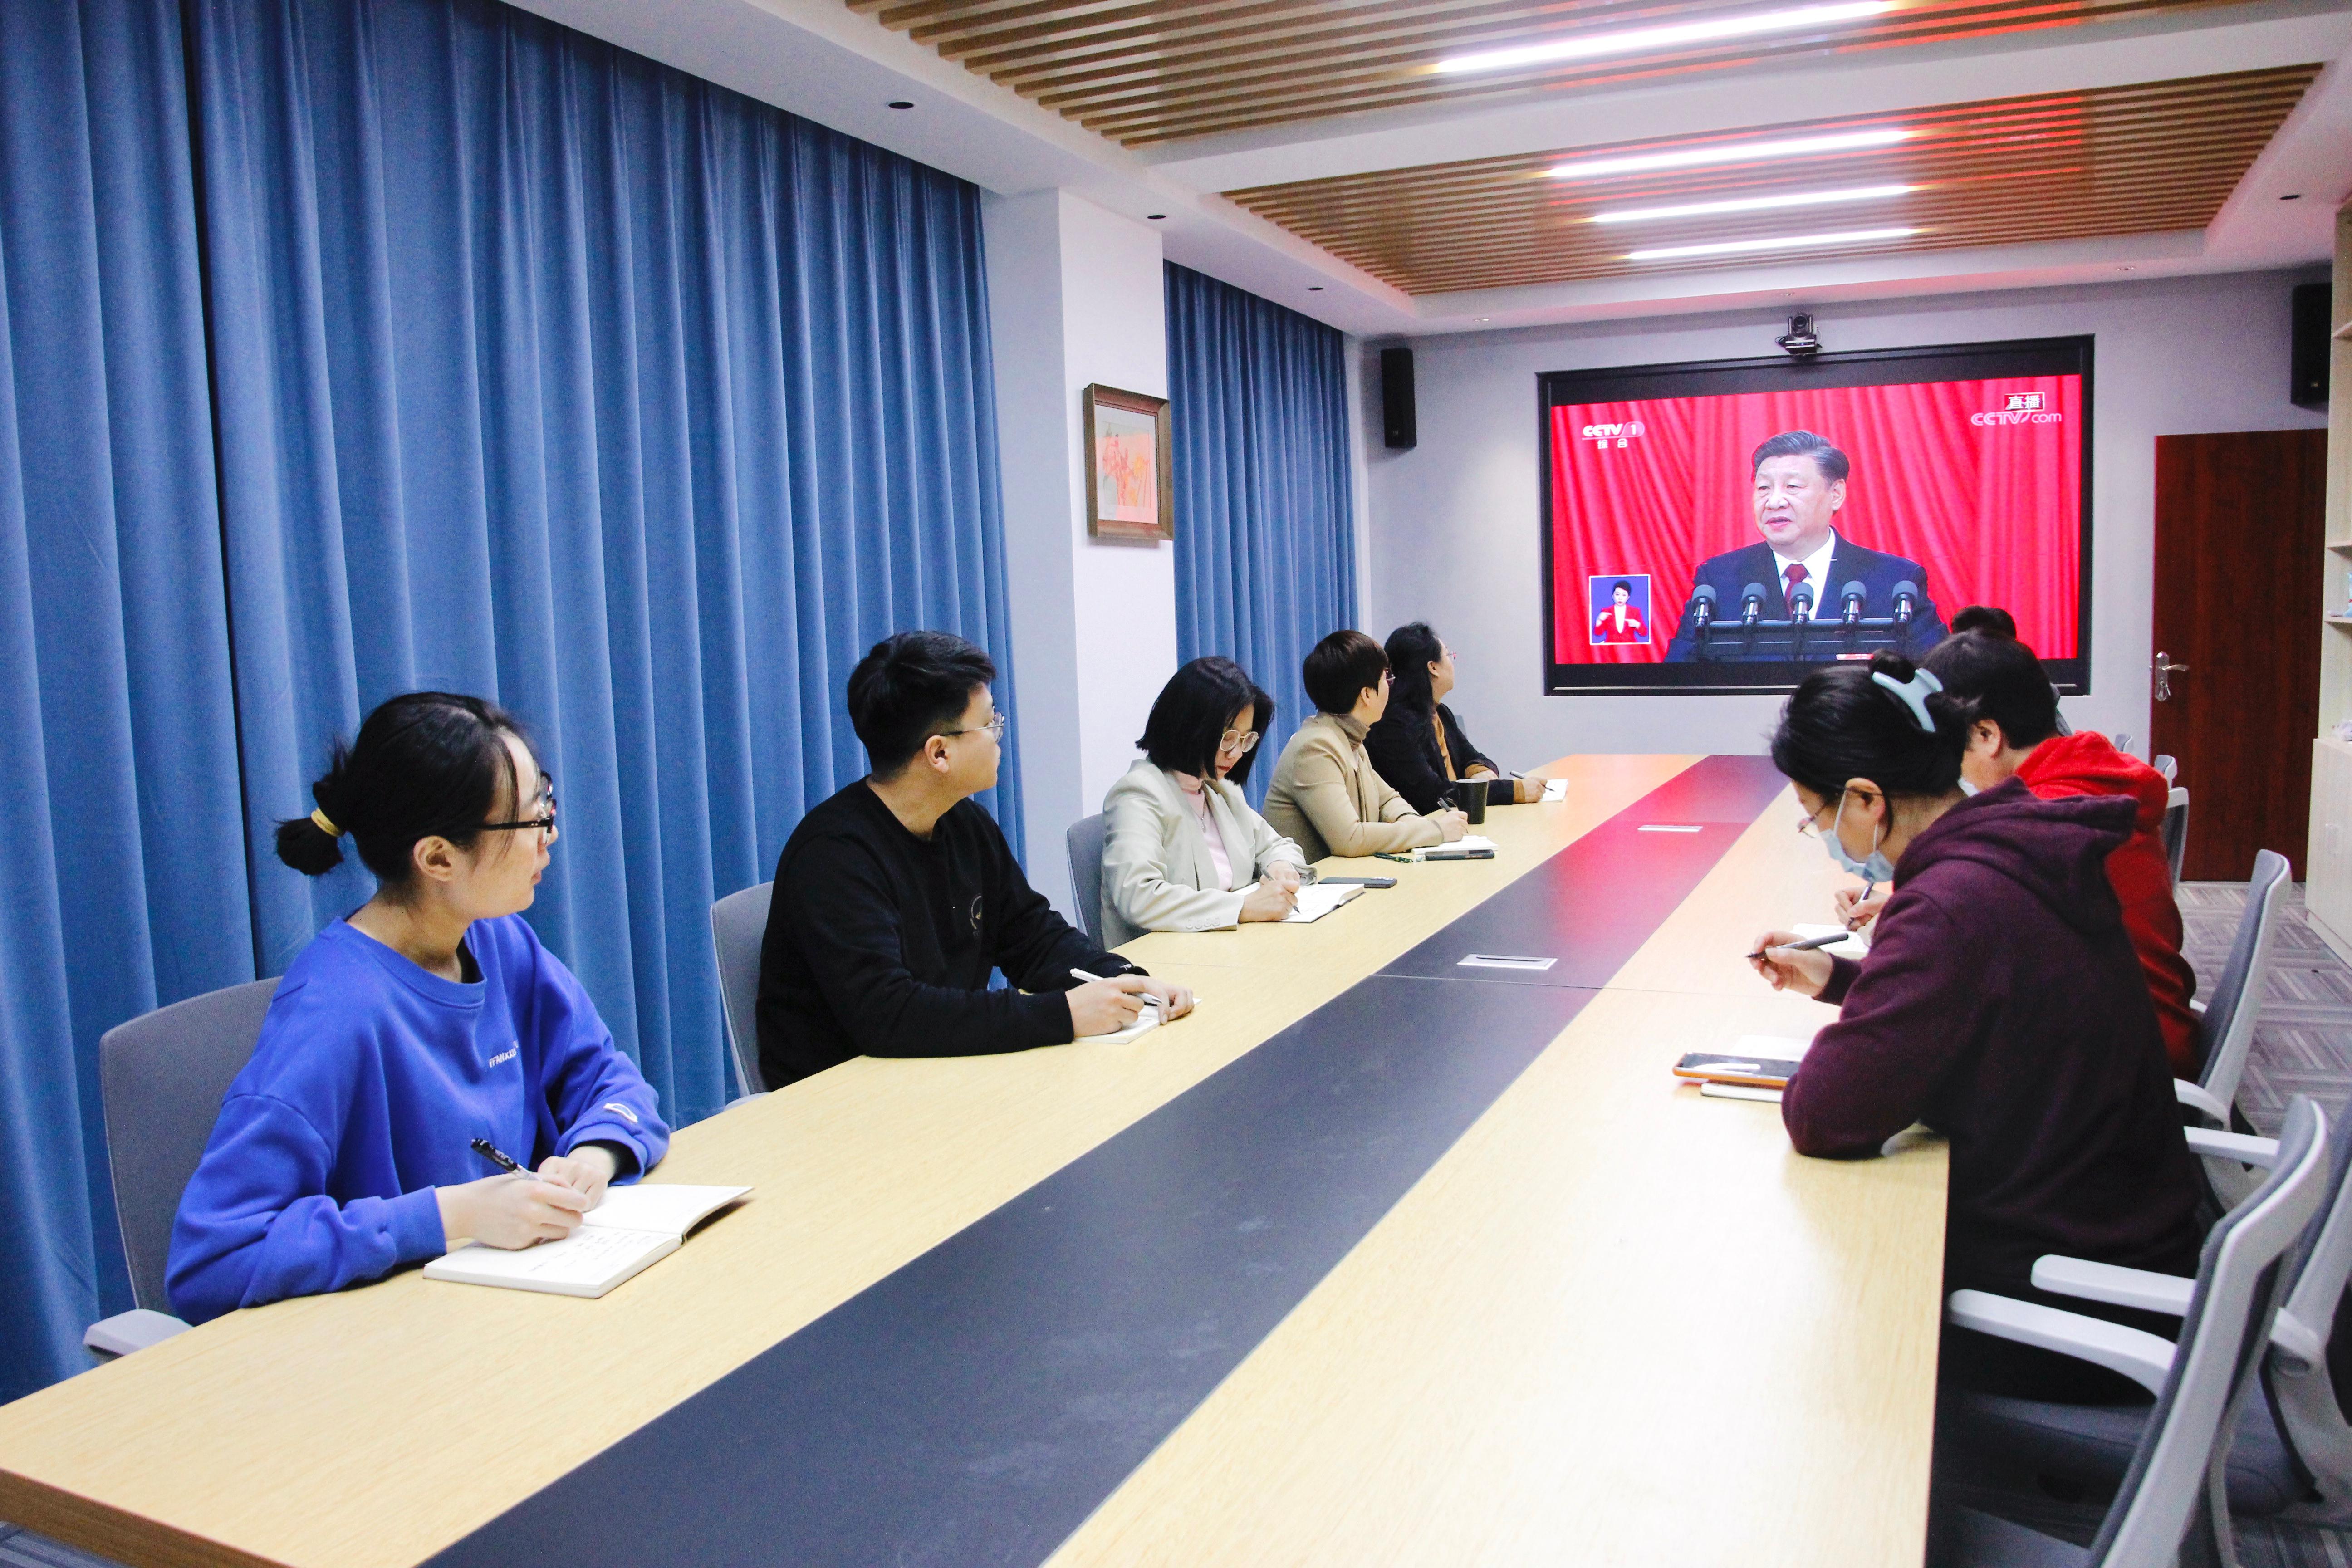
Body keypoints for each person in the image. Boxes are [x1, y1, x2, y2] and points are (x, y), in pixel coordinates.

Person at [1750, 651, 2200, 1401]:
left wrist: (1862, 1012)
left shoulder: (1948, 903)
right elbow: (1990, 992)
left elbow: (1824, 1114)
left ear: (1866, 799)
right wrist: (1842, 978)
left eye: (1816, 816)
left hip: (2075, 1307)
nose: (1821, 833)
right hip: (2128, 1245)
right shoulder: (2015, 835)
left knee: (1795, 1319)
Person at [167, 693, 670, 1325]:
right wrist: (452, 1215)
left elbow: (613, 1082)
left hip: (512, 1312)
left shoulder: (497, 941)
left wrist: (594, 1156)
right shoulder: (332, 1013)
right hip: (394, 1340)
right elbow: (212, 1260)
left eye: (545, 800)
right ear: (437, 858)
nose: (550, 834)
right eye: (529, 820)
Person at [757, 631, 1193, 1090]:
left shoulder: (965, 824)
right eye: (989, 724)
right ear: (939, 753)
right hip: (843, 1094)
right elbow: (890, 1015)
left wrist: (1122, 979)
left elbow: (1033, 937)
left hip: (937, 1070)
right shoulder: (833, 856)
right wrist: (1063, 1015)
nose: (999, 736)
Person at [1664, 430, 1947, 662]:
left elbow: (1934, 677)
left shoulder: (1895, 580)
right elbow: (1676, 681)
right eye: (1763, 488)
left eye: (1793, 487)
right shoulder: (1718, 579)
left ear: (1836, 494)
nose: (1774, 502)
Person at [1099, 657, 1309, 944]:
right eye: (1228, 738)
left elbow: (1276, 845)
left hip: (1228, 947)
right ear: (1190, 727)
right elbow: (1139, 896)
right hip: (1166, 958)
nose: (1236, 753)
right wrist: (1243, 908)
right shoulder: (1138, 795)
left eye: (1245, 739)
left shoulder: (1220, 791)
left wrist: (1281, 868)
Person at [1264, 630, 1467, 861]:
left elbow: (1389, 801)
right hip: (1311, 881)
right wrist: (1434, 831)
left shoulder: (1351, 740)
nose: (1391, 685)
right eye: (1386, 678)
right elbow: (1350, 839)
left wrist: (1419, 827)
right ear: (1368, 695)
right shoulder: (1315, 748)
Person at [1366, 622, 1544, 817]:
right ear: (1433, 668)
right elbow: (1433, 795)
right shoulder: (1394, 726)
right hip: (1424, 826)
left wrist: (1478, 772)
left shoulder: (1440, 713)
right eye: (1448, 655)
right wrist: (1515, 791)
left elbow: (1474, 757)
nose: (1453, 663)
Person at [1592, 580, 1646, 644]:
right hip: (1612, 647)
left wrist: (1637, 625)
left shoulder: (1635, 611)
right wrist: (1599, 620)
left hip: (1630, 647)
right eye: (1617, 594)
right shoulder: (1606, 611)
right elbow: (1598, 633)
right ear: (1613, 596)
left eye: (1624, 595)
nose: (1620, 598)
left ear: (1628, 597)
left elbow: (1644, 633)